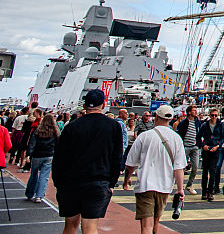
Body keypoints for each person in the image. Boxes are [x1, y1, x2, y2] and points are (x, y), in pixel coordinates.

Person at [52, 89, 123, 234]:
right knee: (90, 227)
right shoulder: (113, 126)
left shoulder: (72, 126)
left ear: (84, 105)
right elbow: (117, 157)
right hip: (98, 181)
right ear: (103, 105)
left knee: (70, 225)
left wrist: (58, 183)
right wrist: (111, 183)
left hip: (71, 182)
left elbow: (59, 158)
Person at [122, 104, 185, 234]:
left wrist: (126, 180)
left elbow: (130, 163)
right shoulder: (176, 138)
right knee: (156, 222)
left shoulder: (144, 136)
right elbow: (179, 168)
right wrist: (180, 190)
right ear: (171, 119)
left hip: (145, 185)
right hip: (165, 186)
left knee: (146, 226)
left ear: (156, 117)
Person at [24, 112, 58, 203]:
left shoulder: (38, 130)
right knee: (44, 176)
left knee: (34, 174)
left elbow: (32, 143)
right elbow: (58, 144)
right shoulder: (54, 132)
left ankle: (30, 193)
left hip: (37, 155)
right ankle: (39, 196)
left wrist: (28, 154)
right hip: (49, 155)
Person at [197, 107, 224, 202]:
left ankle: (210, 192)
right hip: (206, 149)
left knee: (213, 171)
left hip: (215, 149)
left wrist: (218, 146)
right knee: (205, 172)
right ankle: (204, 191)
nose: (214, 117)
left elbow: (223, 137)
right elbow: (198, 137)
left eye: (215, 115)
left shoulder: (220, 125)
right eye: (212, 115)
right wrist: (203, 145)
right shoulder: (204, 125)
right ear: (209, 115)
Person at [174, 105, 202, 195]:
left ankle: (189, 185)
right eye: (194, 110)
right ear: (189, 112)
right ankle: (180, 185)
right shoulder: (183, 123)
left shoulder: (198, 122)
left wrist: (199, 144)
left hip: (195, 147)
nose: (196, 112)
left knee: (195, 168)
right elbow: (179, 134)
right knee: (181, 167)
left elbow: (199, 133)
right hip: (185, 147)